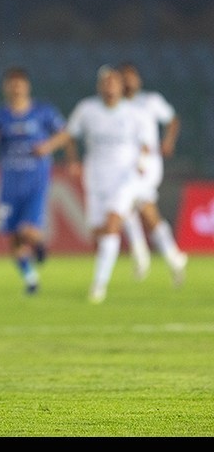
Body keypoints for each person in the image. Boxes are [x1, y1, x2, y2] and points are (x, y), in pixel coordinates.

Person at [38, 65, 151, 303]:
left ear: (121, 87)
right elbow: (69, 134)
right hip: (97, 178)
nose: (110, 87)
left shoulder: (135, 113)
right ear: (99, 87)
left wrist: (142, 162)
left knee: (111, 225)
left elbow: (146, 143)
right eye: (106, 83)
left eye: (114, 82)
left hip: (125, 178)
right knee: (98, 233)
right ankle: (133, 235)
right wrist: (52, 149)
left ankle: (99, 285)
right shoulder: (87, 109)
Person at [0, 66, 66, 295]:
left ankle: (39, 245)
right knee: (14, 235)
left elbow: (64, 133)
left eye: (19, 84)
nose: (16, 89)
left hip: (35, 182)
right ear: (6, 88)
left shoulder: (43, 112)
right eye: (12, 85)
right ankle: (30, 278)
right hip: (9, 184)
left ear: (27, 87)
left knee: (27, 230)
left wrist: (48, 146)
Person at [117, 62, 187, 284]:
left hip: (147, 165)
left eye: (132, 76)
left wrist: (168, 141)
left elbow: (172, 119)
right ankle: (170, 257)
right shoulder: (116, 106)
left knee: (140, 207)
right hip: (124, 165)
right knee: (130, 209)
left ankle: (146, 255)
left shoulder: (150, 101)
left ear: (138, 80)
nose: (129, 81)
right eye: (124, 77)